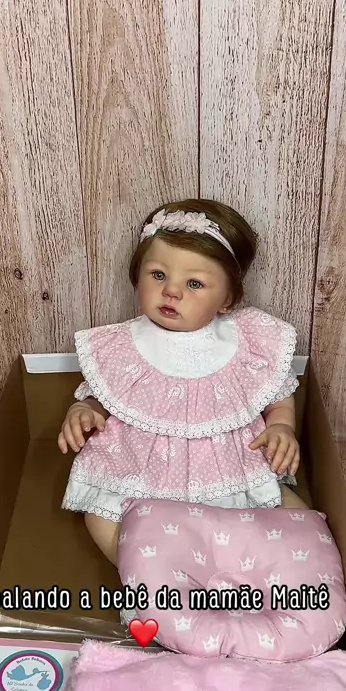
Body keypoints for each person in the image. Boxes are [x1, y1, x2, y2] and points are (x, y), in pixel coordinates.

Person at [58, 199, 308, 567]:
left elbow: (277, 394)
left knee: (284, 507)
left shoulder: (247, 342)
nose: (171, 291)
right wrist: (85, 410)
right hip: (140, 464)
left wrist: (282, 425)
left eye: (194, 283)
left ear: (227, 299)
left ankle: (281, 567)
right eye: (158, 275)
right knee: (101, 513)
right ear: (137, 275)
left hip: (226, 461)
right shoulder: (122, 344)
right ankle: (152, 573)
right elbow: (106, 396)